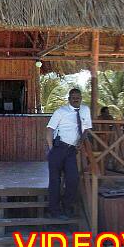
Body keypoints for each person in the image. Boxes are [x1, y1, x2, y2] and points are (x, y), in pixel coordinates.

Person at [46, 88, 92, 219]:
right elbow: (49, 129)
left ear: (81, 98)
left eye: (78, 97)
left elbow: (86, 129)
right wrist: (51, 149)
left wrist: (80, 142)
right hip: (58, 148)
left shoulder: (85, 110)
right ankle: (53, 210)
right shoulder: (61, 112)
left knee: (73, 178)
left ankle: (66, 207)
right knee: (55, 180)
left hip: (72, 150)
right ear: (69, 99)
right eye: (73, 97)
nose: (76, 99)